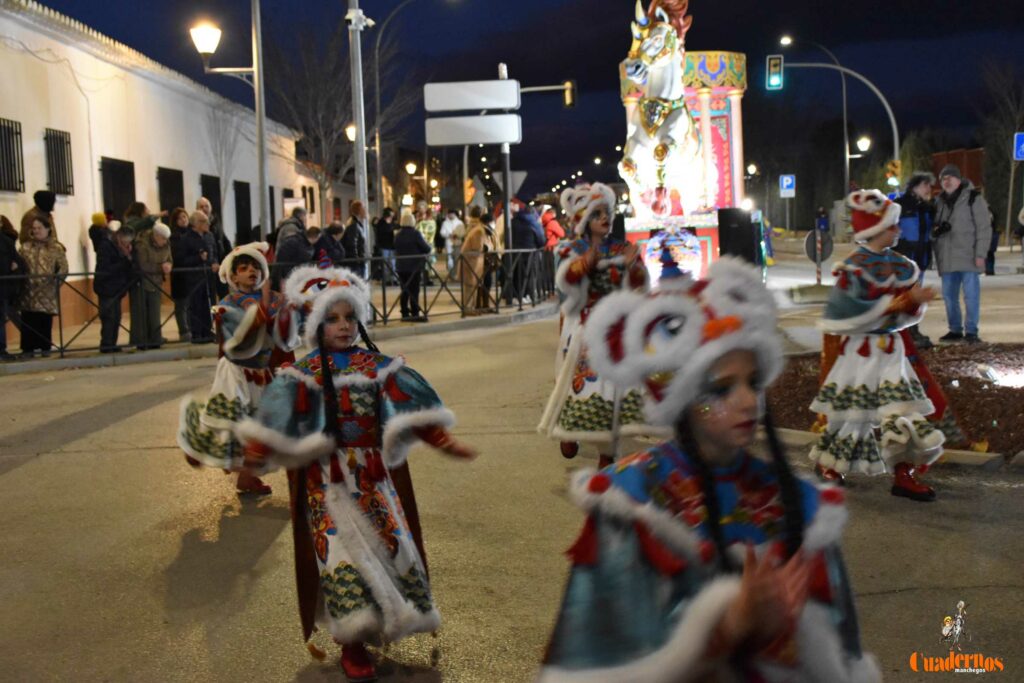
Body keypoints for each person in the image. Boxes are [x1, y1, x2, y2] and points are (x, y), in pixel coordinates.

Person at [538, 254, 880, 683]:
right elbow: (601, 658)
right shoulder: (631, 503)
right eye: (721, 388)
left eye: (752, 382)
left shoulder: (800, 505)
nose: (747, 401)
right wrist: (729, 626)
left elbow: (841, 651)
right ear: (679, 399)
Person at [234, 266, 477, 681]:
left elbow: (410, 403)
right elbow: (273, 416)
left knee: (387, 551)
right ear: (315, 325)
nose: (344, 326)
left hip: (374, 479)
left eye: (350, 317)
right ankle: (352, 642)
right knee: (341, 559)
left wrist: (440, 438)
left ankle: (380, 624)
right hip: (324, 486)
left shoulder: (377, 366)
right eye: (333, 319)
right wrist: (256, 451)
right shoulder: (300, 375)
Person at [810, 190, 944, 501]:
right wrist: (904, 301)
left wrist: (914, 305)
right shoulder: (853, 269)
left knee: (903, 411)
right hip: (859, 354)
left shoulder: (901, 264)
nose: (898, 230)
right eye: (891, 225)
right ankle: (831, 466)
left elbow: (905, 313)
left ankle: (904, 472)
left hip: (891, 354)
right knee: (851, 413)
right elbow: (845, 317)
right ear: (874, 229)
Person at [537, 183, 652, 469]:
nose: (605, 218)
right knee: (576, 385)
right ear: (584, 219)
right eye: (597, 213)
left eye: (607, 212)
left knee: (612, 390)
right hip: (581, 326)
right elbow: (568, 279)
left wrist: (634, 265)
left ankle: (607, 454)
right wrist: (593, 261)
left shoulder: (622, 247)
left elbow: (639, 283)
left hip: (615, 328)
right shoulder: (570, 249)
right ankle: (571, 431)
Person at [178, 242, 299, 495]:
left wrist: (289, 317)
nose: (251, 271)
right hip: (234, 372)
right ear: (232, 276)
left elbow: (283, 339)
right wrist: (257, 317)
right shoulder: (227, 304)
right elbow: (232, 342)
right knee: (228, 421)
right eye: (244, 268)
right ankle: (197, 447)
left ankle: (247, 477)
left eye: (256, 266)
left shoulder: (275, 300)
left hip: (263, 373)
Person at [933, 164, 991, 344]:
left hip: (968, 256)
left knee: (971, 296)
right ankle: (955, 329)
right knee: (949, 297)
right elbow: (933, 229)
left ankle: (971, 331)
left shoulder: (973, 198)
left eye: (950, 177)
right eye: (943, 178)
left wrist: (980, 253)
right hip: (947, 257)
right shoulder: (939, 201)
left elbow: (984, 228)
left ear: (959, 179)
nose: (946, 181)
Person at [894, 172, 936, 349]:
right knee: (905, 295)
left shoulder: (926, 208)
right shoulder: (900, 205)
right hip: (905, 258)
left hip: (920, 257)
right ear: (915, 186)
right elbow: (892, 229)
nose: (929, 189)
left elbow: (927, 233)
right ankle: (902, 331)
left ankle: (913, 329)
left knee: (916, 296)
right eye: (926, 185)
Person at [17, 216, 68, 357]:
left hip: (47, 290)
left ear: (48, 229)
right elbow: (20, 264)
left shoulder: (56, 248)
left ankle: (45, 346)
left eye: (39, 228)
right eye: (34, 228)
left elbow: (63, 268)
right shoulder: (25, 247)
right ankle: (28, 349)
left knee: (44, 320)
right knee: (28, 319)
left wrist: (56, 283)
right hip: (28, 290)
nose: (36, 231)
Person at [93, 224, 135, 353]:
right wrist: (124, 258)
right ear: (119, 236)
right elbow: (106, 269)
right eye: (124, 242)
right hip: (107, 287)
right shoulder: (106, 246)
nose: (126, 244)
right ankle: (106, 344)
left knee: (116, 317)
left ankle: (112, 343)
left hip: (117, 288)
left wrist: (127, 257)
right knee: (109, 317)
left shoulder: (118, 247)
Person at [131, 221, 172, 350]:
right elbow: (143, 265)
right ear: (156, 236)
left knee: (155, 312)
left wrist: (169, 266)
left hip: (157, 282)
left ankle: (155, 339)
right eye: (163, 239)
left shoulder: (166, 244)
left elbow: (170, 259)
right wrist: (160, 267)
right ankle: (141, 341)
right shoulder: (142, 245)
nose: (165, 241)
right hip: (142, 282)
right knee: (141, 312)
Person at [179, 211, 218, 344]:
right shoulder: (186, 239)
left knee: (209, 305)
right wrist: (198, 258)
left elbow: (215, 252)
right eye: (203, 221)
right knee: (196, 306)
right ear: (195, 224)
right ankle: (197, 334)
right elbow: (182, 259)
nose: (207, 224)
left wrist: (214, 262)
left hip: (208, 276)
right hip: (194, 278)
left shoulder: (210, 236)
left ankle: (209, 331)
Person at [394, 210, 432, 322]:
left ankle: (404, 313)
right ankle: (415, 313)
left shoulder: (398, 235)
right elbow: (427, 248)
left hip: (401, 267)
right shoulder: (416, 234)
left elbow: (395, 247)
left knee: (404, 290)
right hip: (414, 267)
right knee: (414, 290)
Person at [459, 206, 494, 315]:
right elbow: (477, 247)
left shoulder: (480, 229)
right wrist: (488, 248)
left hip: (474, 262)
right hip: (470, 262)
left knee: (473, 286)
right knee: (470, 287)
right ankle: (468, 309)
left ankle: (472, 308)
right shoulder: (479, 231)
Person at [510, 203, 545, 304]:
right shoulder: (533, 223)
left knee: (516, 275)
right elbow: (541, 240)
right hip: (529, 253)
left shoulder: (513, 221)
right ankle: (525, 295)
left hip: (514, 253)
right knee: (528, 275)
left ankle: (515, 296)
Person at [1, 215, 23, 360]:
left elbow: (19, 262)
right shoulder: (6, 241)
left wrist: (14, 268)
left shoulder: (6, 241)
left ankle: (1, 350)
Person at [168, 208, 192, 341]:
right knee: (181, 304)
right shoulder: (173, 236)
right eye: (180, 218)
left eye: (185, 216)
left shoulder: (192, 233)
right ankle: (184, 330)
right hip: (179, 274)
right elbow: (176, 255)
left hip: (191, 275)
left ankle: (193, 328)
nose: (184, 220)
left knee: (190, 304)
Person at [272, 217, 315, 289]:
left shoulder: (290, 229)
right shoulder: (291, 228)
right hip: (287, 269)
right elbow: (290, 252)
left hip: (286, 267)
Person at [342, 201, 369, 279]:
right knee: (357, 286)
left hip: (357, 263)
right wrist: (357, 261)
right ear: (360, 211)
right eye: (364, 208)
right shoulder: (355, 226)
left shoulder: (356, 225)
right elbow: (352, 244)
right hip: (356, 265)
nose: (366, 211)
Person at [415, 202, 437, 285]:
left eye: (422, 207)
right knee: (421, 262)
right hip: (420, 243)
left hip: (429, 242)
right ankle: (423, 278)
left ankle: (428, 279)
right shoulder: (417, 217)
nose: (420, 209)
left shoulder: (430, 218)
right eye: (419, 207)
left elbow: (431, 228)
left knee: (429, 262)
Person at [439, 209, 465, 275]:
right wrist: (449, 234)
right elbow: (442, 233)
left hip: (457, 243)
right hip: (448, 243)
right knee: (449, 258)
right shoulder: (445, 223)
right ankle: (451, 274)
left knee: (457, 258)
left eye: (452, 214)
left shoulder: (460, 223)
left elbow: (463, 233)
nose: (450, 215)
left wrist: (457, 235)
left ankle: (457, 273)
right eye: (449, 214)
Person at [374, 208, 397, 284]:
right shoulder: (381, 223)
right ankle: (387, 280)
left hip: (392, 246)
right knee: (385, 264)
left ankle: (393, 279)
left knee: (393, 264)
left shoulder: (393, 223)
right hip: (384, 246)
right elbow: (378, 234)